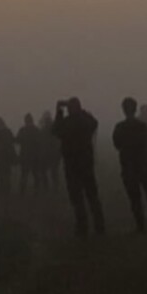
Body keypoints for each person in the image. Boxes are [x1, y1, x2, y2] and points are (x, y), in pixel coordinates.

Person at [53, 97, 104, 236]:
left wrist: (58, 111)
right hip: (86, 163)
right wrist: (83, 112)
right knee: (92, 195)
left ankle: (82, 226)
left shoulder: (67, 122)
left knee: (77, 197)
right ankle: (100, 226)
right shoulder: (85, 121)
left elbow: (56, 130)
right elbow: (95, 123)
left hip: (71, 164)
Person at [113, 97, 147, 234]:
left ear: (124, 110)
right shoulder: (142, 127)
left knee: (135, 199)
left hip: (129, 167)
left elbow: (117, 145)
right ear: (136, 109)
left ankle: (141, 226)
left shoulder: (120, 127)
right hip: (143, 166)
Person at [16, 114, 44, 193]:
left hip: (25, 156)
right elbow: (40, 143)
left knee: (24, 175)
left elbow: (17, 140)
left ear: (25, 121)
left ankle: (22, 192)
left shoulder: (22, 130)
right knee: (35, 175)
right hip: (34, 156)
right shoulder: (36, 130)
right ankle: (36, 191)